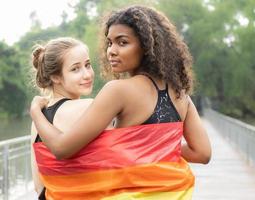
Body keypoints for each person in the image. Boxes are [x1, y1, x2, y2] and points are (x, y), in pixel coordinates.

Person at [30, 5, 211, 200]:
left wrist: (36, 113)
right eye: (109, 43)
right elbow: (202, 153)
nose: (111, 51)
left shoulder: (118, 90)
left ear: (146, 46)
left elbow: (61, 148)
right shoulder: (180, 93)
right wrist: (155, 148)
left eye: (122, 43)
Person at [30, 37, 95, 199]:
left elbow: (38, 186)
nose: (87, 74)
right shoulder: (88, 107)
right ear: (55, 77)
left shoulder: (39, 118)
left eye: (88, 65)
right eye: (75, 69)